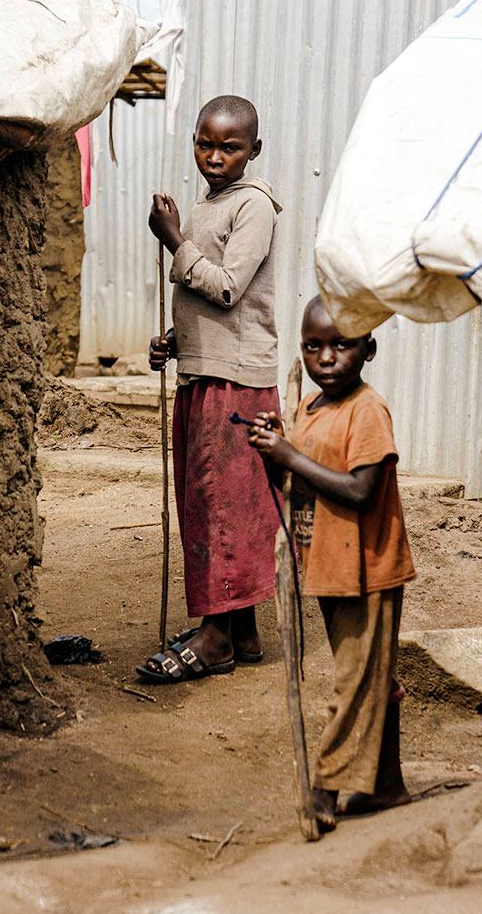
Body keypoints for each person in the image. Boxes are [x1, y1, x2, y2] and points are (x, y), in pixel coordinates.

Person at [247, 298, 415, 829]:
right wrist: (274, 451)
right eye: (312, 346)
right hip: (325, 562)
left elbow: (363, 491)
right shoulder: (310, 409)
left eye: (340, 345)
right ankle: (386, 786)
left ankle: (325, 785)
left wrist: (290, 454)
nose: (325, 358)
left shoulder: (367, 410)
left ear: (368, 348)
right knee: (371, 676)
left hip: (367, 566)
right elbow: (295, 486)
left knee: (356, 682)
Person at [139, 94, 284, 684]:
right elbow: (216, 307)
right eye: (206, 143)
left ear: (254, 149)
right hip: (207, 372)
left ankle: (217, 636)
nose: (215, 155)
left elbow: (227, 287)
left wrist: (173, 239)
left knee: (223, 506)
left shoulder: (254, 208)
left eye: (230, 146)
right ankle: (242, 630)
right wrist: (177, 339)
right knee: (213, 500)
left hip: (237, 385)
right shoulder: (208, 205)